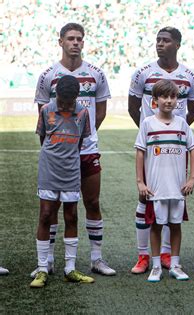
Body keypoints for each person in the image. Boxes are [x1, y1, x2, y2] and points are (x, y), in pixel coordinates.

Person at [32, 23, 114, 278]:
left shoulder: (96, 74)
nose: (76, 42)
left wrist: (81, 133)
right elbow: (44, 118)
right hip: (59, 153)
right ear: (61, 42)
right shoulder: (48, 75)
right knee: (52, 207)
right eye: (71, 38)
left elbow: (99, 112)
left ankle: (96, 259)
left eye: (80, 38)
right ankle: (48, 262)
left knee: (91, 201)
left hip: (87, 149)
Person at [128, 27, 194, 273]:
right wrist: (151, 132)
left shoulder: (190, 75)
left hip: (175, 146)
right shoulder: (143, 73)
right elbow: (133, 106)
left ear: (177, 45)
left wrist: (174, 135)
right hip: (152, 145)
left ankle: (167, 255)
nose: (159, 44)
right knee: (145, 199)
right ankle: (143, 256)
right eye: (157, 39)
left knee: (172, 199)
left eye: (165, 40)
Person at [31, 75, 94, 288]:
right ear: (56, 96)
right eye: (62, 102)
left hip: (71, 170)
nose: (65, 106)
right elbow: (43, 139)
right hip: (49, 168)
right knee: (46, 214)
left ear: (77, 97)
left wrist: (68, 158)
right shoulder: (46, 110)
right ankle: (42, 269)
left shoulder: (83, 113)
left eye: (69, 102)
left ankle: (70, 269)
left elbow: (81, 141)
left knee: (72, 215)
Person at [134, 80, 194, 282]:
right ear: (155, 100)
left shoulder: (182, 123)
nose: (169, 101)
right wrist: (140, 182)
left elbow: (193, 150)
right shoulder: (148, 124)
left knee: (176, 225)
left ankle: (175, 264)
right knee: (156, 226)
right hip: (156, 188)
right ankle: (155, 266)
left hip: (178, 188)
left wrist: (192, 178)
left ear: (177, 100)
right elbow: (139, 153)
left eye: (172, 97)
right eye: (164, 97)